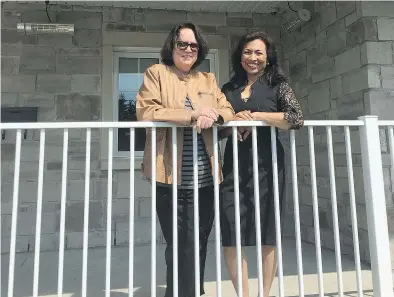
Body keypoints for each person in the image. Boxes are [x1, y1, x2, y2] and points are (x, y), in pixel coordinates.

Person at [136, 22, 235, 297]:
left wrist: (214, 115)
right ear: (172, 46)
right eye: (182, 44)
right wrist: (193, 115)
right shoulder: (156, 73)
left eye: (194, 45)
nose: (188, 49)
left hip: (206, 177)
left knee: (199, 240)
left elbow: (226, 108)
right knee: (178, 243)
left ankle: (193, 291)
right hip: (170, 177)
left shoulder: (208, 80)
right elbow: (148, 112)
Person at [219, 31, 304, 297]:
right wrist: (235, 120)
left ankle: (265, 294)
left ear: (267, 58)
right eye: (247, 52)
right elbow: (217, 127)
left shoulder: (278, 85)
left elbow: (295, 117)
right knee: (231, 232)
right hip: (233, 168)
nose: (252, 58)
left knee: (268, 232)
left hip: (268, 166)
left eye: (258, 53)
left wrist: (257, 117)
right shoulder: (228, 89)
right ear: (239, 56)